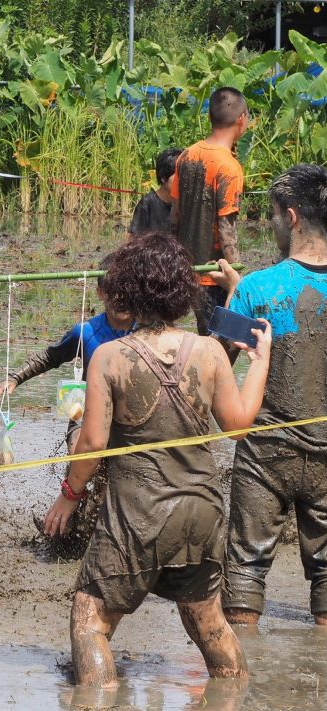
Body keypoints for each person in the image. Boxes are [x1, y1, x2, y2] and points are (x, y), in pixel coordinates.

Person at [42, 232, 270, 687]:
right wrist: (260, 359)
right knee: (207, 620)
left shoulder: (109, 357)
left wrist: (69, 496)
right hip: (202, 512)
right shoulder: (208, 351)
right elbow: (240, 425)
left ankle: (99, 697)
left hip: (138, 514)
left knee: (90, 617)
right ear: (182, 293)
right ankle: (235, 694)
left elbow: (90, 445)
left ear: (127, 291)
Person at [212, 164, 327, 627]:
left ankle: (237, 686)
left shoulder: (255, 289)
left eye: (275, 217)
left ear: (294, 217)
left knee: (244, 570)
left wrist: (234, 293)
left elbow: (214, 361)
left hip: (265, 457)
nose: (273, 225)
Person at [0, 255, 133, 555]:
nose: (120, 297)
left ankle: (102, 529)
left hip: (127, 419)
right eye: (112, 290)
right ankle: (66, 527)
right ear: (100, 293)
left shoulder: (145, 332)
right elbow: (51, 357)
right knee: (79, 452)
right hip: (88, 414)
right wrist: (15, 379)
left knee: (114, 481)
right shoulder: (85, 333)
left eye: (127, 289)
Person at [170, 87, 248, 335]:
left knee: (208, 335)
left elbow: (175, 217)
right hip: (215, 276)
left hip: (189, 271)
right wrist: (237, 280)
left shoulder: (187, 156)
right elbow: (227, 229)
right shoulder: (229, 167)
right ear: (241, 119)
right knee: (226, 340)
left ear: (209, 118)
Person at [128, 147, 183, 237]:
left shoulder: (186, 204)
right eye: (178, 176)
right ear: (163, 177)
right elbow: (133, 239)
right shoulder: (147, 203)